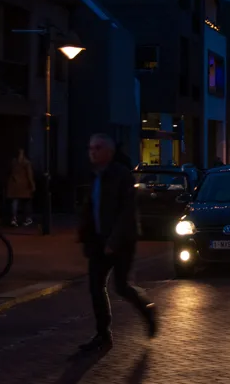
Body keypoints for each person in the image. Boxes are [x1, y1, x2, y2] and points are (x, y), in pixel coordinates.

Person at [77, 133, 157, 351]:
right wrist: (85, 237)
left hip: (121, 241)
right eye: (90, 148)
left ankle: (147, 310)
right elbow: (89, 208)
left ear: (109, 153)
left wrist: (114, 240)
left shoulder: (121, 176)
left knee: (121, 286)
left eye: (98, 148)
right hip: (98, 241)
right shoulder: (94, 175)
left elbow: (126, 212)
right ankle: (103, 335)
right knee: (95, 287)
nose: (92, 152)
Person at [6, 148, 35, 227]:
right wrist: (32, 185)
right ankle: (27, 218)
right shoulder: (26, 163)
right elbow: (29, 175)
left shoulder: (13, 162)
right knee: (26, 203)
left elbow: (9, 172)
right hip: (24, 186)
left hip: (14, 186)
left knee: (15, 203)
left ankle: (14, 219)